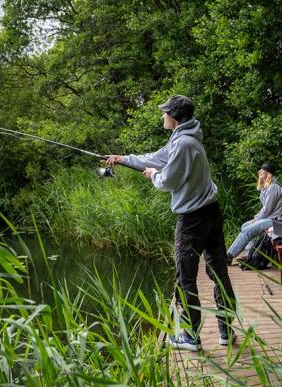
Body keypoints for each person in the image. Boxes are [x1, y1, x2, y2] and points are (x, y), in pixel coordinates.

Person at [106, 95, 236, 351]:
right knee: (218, 272)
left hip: (193, 219)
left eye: (165, 113)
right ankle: (226, 331)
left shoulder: (184, 144)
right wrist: (123, 159)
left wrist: (154, 176)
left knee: (185, 277)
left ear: (174, 117)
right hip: (211, 212)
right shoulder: (186, 139)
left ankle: (190, 335)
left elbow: (168, 182)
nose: (163, 116)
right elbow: (156, 157)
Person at [227, 163, 282, 265]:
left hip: (276, 220)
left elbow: (267, 210)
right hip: (270, 218)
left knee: (248, 229)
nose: (259, 171)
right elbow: (266, 208)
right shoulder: (268, 187)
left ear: (269, 173)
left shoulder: (273, 187)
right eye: (259, 170)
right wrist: (256, 218)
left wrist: (256, 220)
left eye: (262, 170)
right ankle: (249, 254)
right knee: (245, 226)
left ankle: (229, 256)